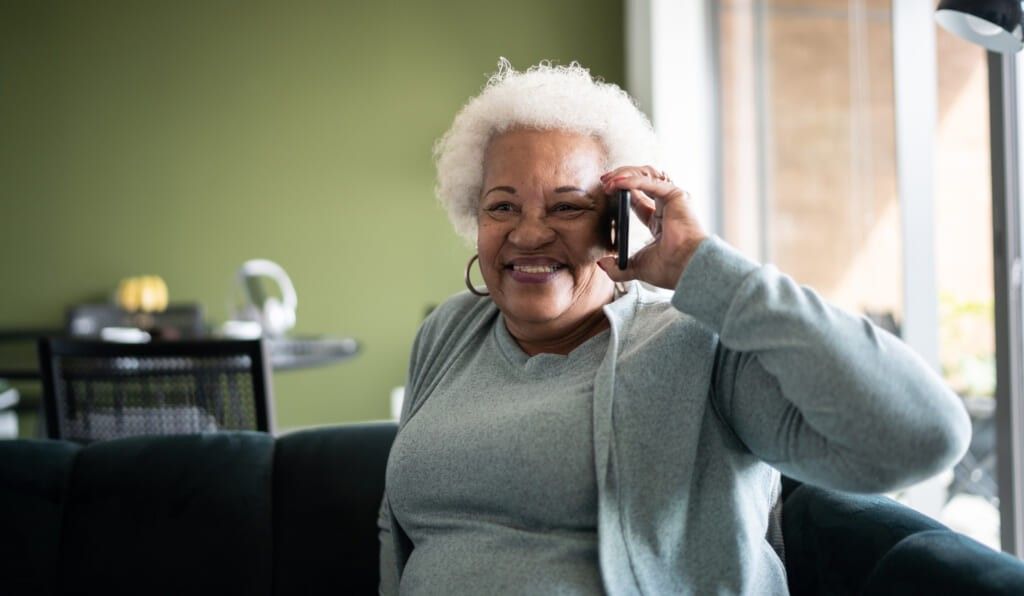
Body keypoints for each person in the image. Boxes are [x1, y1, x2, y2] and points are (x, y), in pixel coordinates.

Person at [378, 59, 971, 595]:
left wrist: (705, 268)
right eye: (502, 206)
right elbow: (399, 536)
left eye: (567, 206)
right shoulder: (452, 331)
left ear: (617, 220)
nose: (528, 235)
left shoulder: (698, 344)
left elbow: (926, 434)